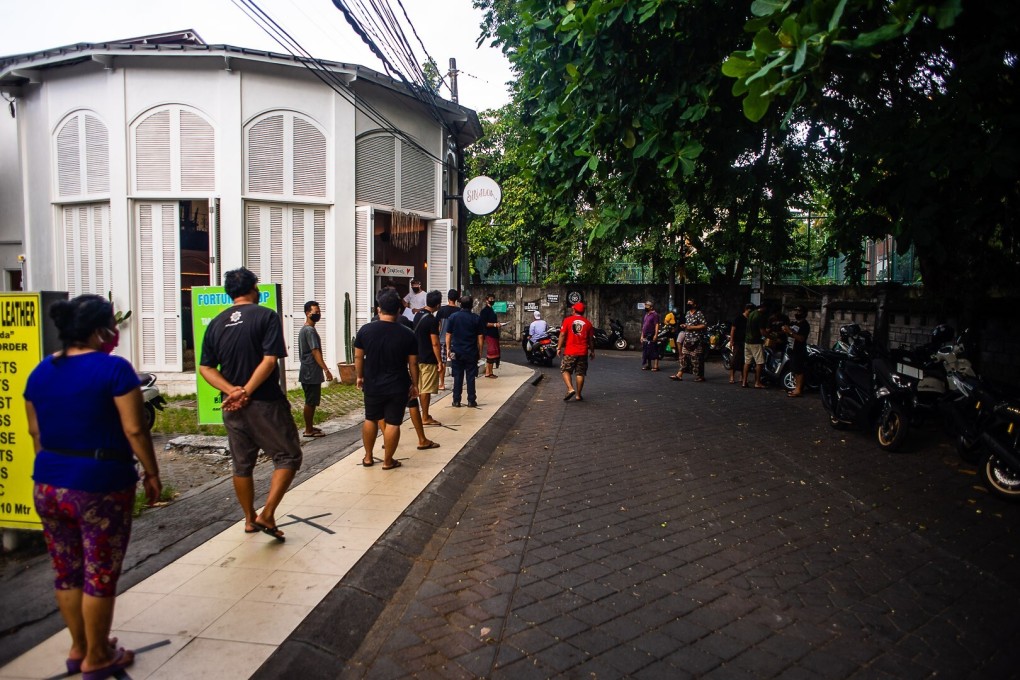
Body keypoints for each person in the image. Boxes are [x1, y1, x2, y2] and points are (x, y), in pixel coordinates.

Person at [24, 294, 161, 680]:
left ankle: (79, 647)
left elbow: (35, 431)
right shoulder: (114, 370)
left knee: (66, 570)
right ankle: (98, 656)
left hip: (49, 484)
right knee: (99, 572)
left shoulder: (41, 371)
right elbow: (135, 429)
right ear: (102, 331)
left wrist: (52, 470)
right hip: (99, 485)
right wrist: (151, 474)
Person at [200, 267, 303, 541]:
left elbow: (205, 368)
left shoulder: (216, 323)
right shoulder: (266, 316)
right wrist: (245, 390)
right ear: (252, 289)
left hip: (232, 408)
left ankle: (248, 519)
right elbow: (270, 361)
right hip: (266, 402)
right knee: (288, 456)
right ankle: (267, 514)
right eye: (256, 287)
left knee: (242, 464)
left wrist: (231, 392)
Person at [354, 289, 420, 469]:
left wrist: (359, 376)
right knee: (393, 422)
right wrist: (415, 384)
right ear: (399, 311)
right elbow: (413, 364)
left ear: (378, 309)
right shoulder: (407, 334)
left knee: (370, 418)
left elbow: (358, 357)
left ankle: (368, 457)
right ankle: (387, 460)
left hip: (372, 383)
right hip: (397, 385)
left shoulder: (365, 330)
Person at [298, 300, 332, 438]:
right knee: (310, 401)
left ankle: (310, 426)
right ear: (307, 313)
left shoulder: (306, 329)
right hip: (310, 371)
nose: (318, 314)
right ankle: (308, 430)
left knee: (312, 400)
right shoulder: (309, 330)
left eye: (319, 312)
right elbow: (315, 351)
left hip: (309, 370)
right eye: (315, 312)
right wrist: (326, 369)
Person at [445, 295, 484, 408]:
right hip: (471, 351)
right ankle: (471, 400)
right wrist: (480, 351)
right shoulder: (476, 318)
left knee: (457, 376)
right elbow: (480, 337)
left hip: (456, 351)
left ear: (460, 304)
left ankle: (456, 400)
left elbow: (448, 334)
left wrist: (448, 349)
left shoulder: (453, 317)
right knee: (471, 376)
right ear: (472, 305)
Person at [413, 290, 444, 428]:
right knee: (426, 388)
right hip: (427, 358)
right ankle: (425, 416)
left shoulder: (417, 315)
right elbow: (435, 343)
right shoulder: (432, 320)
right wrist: (439, 361)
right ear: (438, 304)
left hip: (416, 356)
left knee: (420, 387)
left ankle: (424, 414)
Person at [557, 302, 595, 401]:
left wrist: (559, 347)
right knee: (580, 373)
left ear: (574, 310)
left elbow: (562, 335)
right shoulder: (588, 323)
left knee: (565, 370)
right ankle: (578, 395)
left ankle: (570, 389)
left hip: (570, 351)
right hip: (583, 352)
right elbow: (591, 340)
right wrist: (592, 351)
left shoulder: (567, 320)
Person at [673, 299, 708, 382]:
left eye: (690, 303)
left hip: (696, 340)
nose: (688, 304)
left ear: (695, 304)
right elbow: (688, 325)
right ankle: (679, 375)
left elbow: (704, 325)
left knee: (697, 359)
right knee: (684, 357)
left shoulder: (699, 313)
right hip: (687, 338)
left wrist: (692, 327)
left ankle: (700, 376)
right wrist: (684, 325)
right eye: (687, 302)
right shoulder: (688, 313)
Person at [435, 289, 460, 390]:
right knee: (456, 362)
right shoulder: (459, 311)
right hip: (455, 340)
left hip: (442, 340)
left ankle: (442, 383)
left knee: (442, 362)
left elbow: (438, 326)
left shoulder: (441, 310)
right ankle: (457, 383)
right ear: (456, 299)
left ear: (448, 298)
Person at [783, 306, 811, 397]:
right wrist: (786, 330)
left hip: (799, 350)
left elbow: (801, 338)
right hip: (792, 349)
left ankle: (798, 389)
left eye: (799, 312)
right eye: (796, 311)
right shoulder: (794, 323)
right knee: (794, 370)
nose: (797, 313)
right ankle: (796, 387)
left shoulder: (805, 325)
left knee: (799, 371)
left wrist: (790, 332)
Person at [743, 302, 769, 388]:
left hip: (747, 341)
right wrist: (771, 337)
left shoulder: (751, 314)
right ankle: (757, 382)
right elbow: (762, 332)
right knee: (759, 362)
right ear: (763, 308)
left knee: (747, 362)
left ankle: (744, 382)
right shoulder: (759, 316)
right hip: (756, 342)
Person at [729, 304, 753, 385]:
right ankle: (732, 376)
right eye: (750, 311)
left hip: (747, 342)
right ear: (746, 309)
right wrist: (731, 341)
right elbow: (733, 329)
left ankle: (742, 377)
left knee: (745, 360)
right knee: (735, 359)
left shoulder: (750, 319)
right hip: (738, 341)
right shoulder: (738, 318)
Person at [480, 293, 502, 378]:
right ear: (486, 300)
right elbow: (484, 323)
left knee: (495, 353)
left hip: (494, 333)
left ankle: (490, 371)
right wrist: (495, 325)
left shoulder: (492, 310)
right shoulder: (484, 311)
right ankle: (488, 373)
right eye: (490, 299)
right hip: (489, 334)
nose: (492, 300)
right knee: (491, 353)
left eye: (493, 299)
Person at [640, 301, 660, 371]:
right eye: (645, 305)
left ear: (651, 307)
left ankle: (656, 366)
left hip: (651, 334)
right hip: (645, 335)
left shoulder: (654, 314)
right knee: (647, 350)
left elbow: (656, 325)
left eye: (647, 306)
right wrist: (642, 336)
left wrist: (655, 335)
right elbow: (644, 326)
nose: (645, 307)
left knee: (654, 349)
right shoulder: (646, 314)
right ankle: (648, 365)